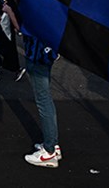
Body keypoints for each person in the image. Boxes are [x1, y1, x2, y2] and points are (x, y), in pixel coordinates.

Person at [22, 31, 61, 168]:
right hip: (47, 53)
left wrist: (9, 12)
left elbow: (22, 28)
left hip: (37, 55)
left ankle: (49, 151)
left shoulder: (34, 12)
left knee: (43, 101)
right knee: (46, 100)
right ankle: (52, 144)